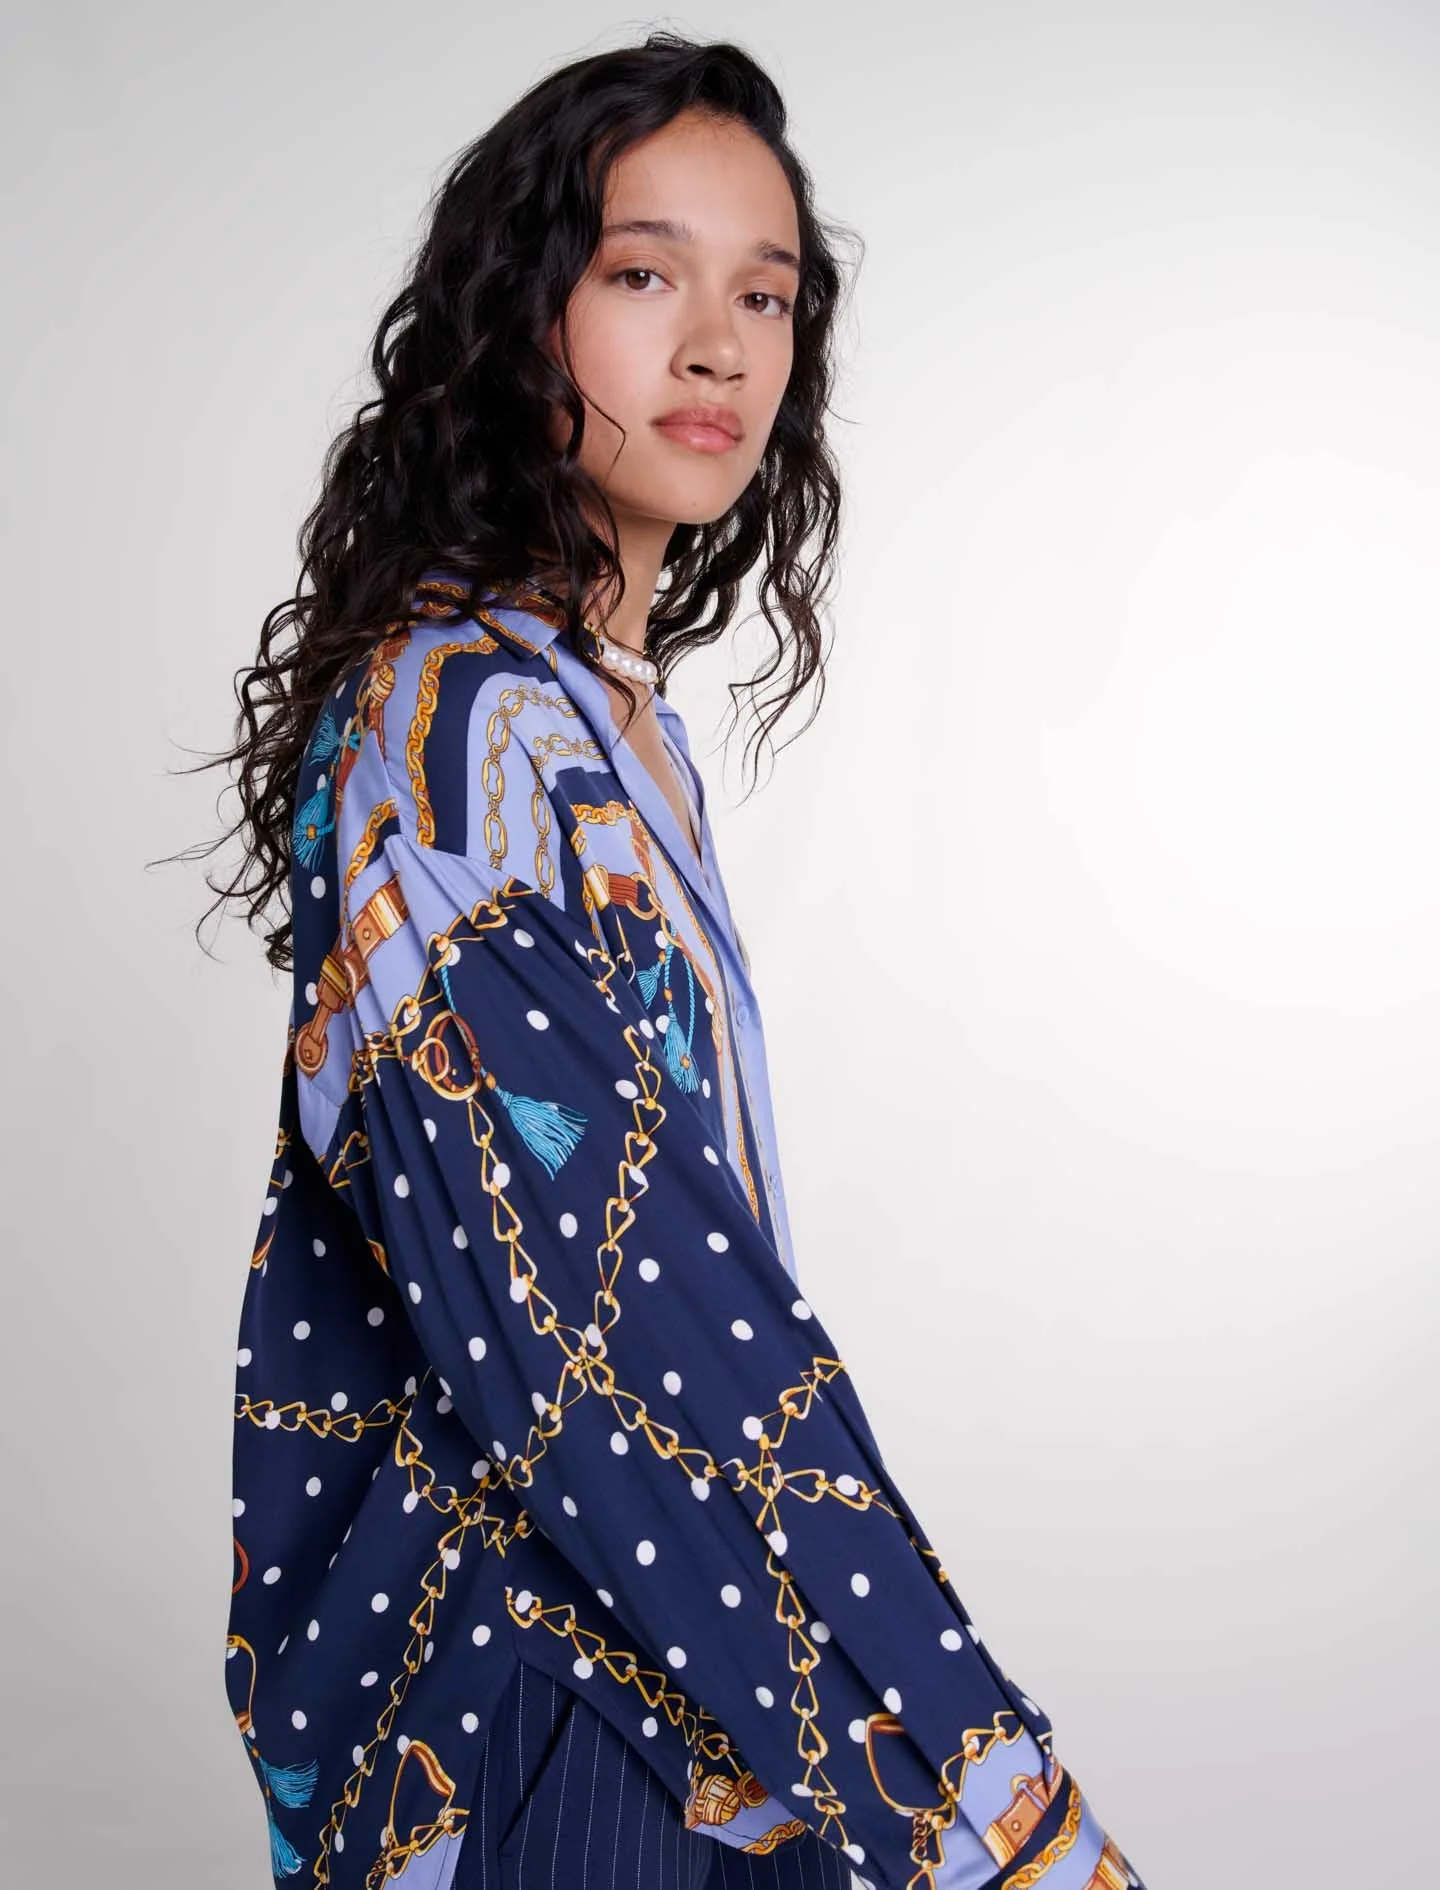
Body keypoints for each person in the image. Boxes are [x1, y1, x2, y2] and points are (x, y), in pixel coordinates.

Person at [208, 32, 1146, 1890]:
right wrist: (975, 1779)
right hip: (551, 1692)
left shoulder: (602, 720)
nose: (720, 347)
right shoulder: (452, 724)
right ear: (519, 314)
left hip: (676, 1667)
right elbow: (603, 1314)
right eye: (645, 275)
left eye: (765, 296)